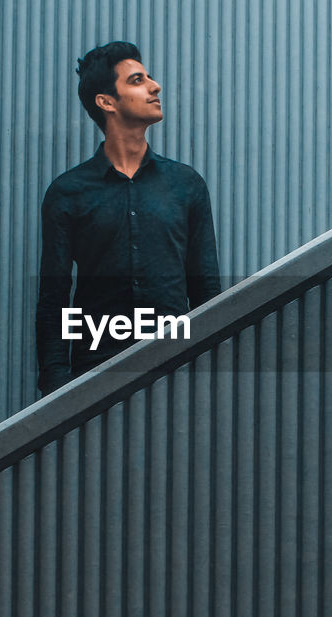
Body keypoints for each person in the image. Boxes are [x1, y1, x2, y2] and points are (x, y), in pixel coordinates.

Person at [35, 41, 222, 395]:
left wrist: (211, 374)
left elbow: (206, 293)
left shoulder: (186, 185)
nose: (155, 86)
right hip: (95, 375)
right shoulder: (68, 192)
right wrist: (57, 389)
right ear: (106, 102)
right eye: (138, 80)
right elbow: (53, 300)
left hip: (178, 370)